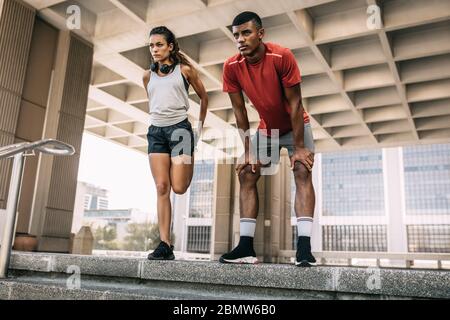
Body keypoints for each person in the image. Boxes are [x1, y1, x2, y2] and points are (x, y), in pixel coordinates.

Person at [220, 12, 316, 267]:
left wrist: (299, 148)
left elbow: (295, 105)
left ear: (260, 33)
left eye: (246, 33)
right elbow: (239, 112)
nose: (240, 39)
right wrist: (248, 150)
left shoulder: (281, 56)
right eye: (236, 35)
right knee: (246, 172)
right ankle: (245, 247)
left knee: (301, 170)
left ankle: (304, 249)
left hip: (297, 124)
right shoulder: (231, 66)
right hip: (267, 129)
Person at [143, 26, 208, 260]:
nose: (154, 49)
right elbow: (155, 102)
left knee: (178, 187)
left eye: (159, 44)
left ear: (170, 46)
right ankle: (165, 244)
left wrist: (198, 130)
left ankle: (190, 154)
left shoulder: (185, 71)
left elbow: (204, 97)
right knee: (162, 187)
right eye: (151, 45)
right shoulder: (147, 76)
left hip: (181, 131)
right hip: (156, 133)